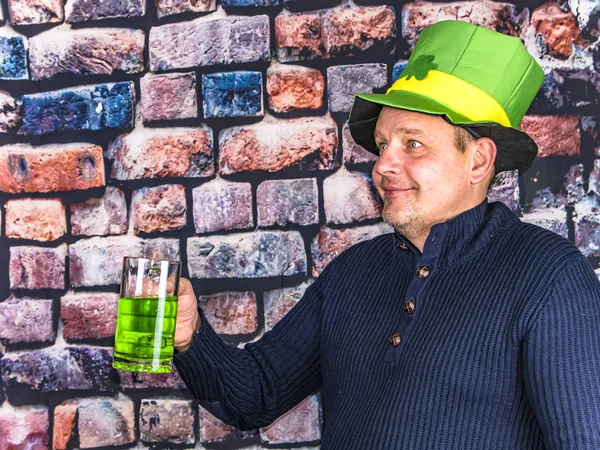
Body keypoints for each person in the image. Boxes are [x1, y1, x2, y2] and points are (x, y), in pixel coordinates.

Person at [172, 20, 600, 448]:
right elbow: (256, 394)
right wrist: (190, 337)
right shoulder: (353, 272)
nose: (382, 166)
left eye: (413, 144)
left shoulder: (550, 279)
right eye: (382, 145)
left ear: (478, 160)